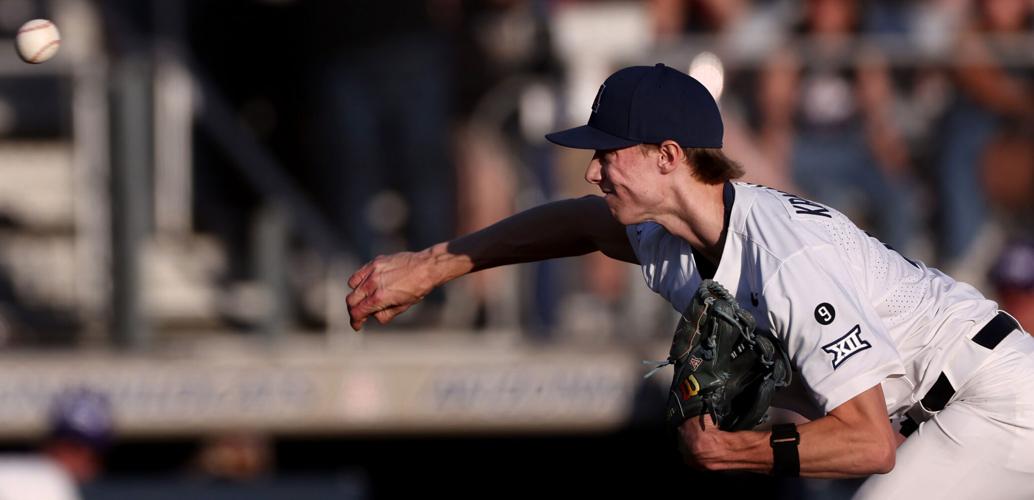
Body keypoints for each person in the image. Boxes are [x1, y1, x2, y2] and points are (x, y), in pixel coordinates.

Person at [346, 64, 1034, 497]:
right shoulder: (675, 237)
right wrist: (431, 266)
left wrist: (732, 451)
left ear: (668, 156)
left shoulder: (786, 257)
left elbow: (869, 444)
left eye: (607, 154)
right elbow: (579, 223)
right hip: (942, 410)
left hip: (993, 401)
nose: (592, 170)